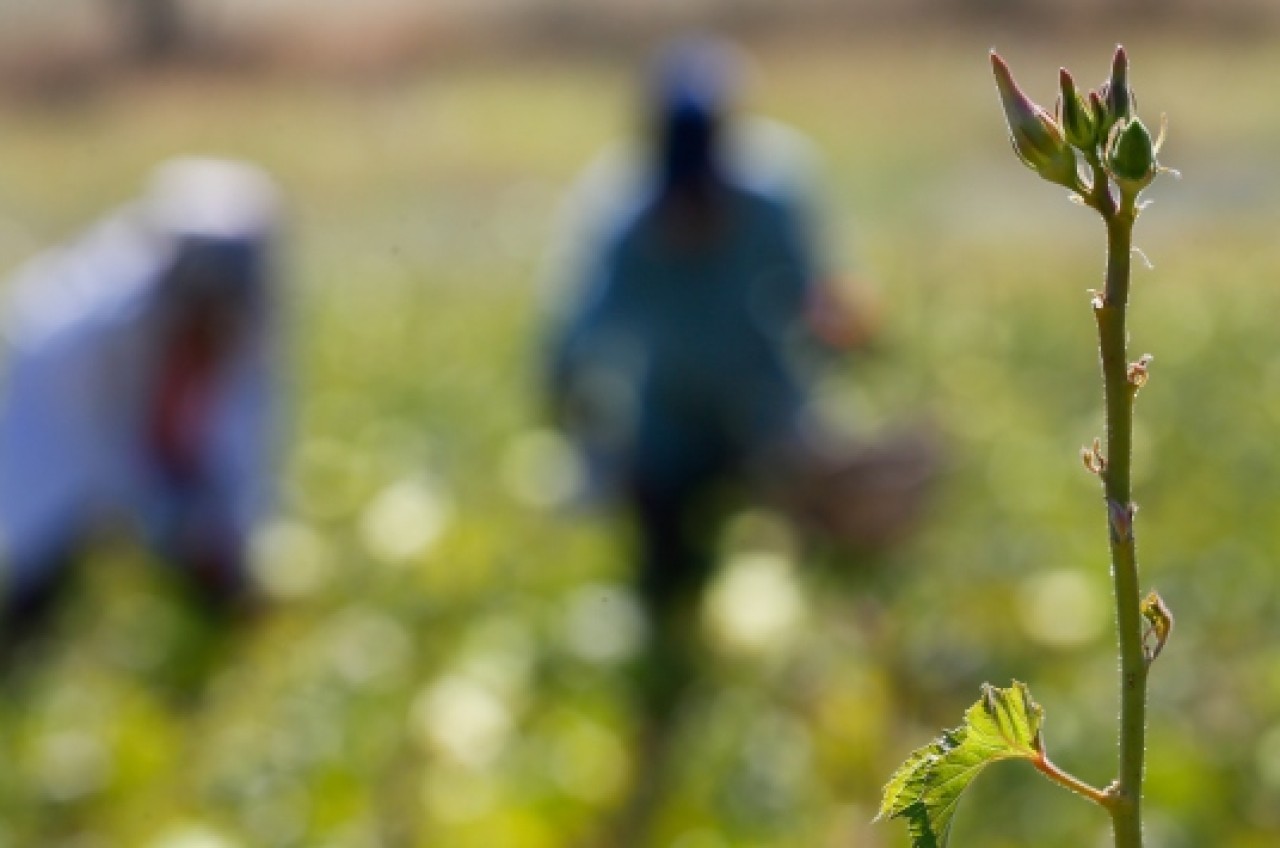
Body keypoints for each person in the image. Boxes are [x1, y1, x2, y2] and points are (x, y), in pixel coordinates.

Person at [545, 36, 909, 845]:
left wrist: (851, 331)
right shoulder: (622, 217)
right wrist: (587, 453)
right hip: (666, 434)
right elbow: (570, 350)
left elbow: (817, 299)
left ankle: (817, 774)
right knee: (666, 598)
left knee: (813, 601)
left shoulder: (771, 193)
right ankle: (662, 757)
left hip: (768, 426)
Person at [0, 157, 283, 643]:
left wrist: (231, 528)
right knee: (46, 552)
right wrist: (165, 519)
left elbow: (248, 418)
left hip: (131, 433)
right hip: (56, 422)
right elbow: (100, 443)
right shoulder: (88, 325)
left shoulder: (245, 318)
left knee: (214, 565)